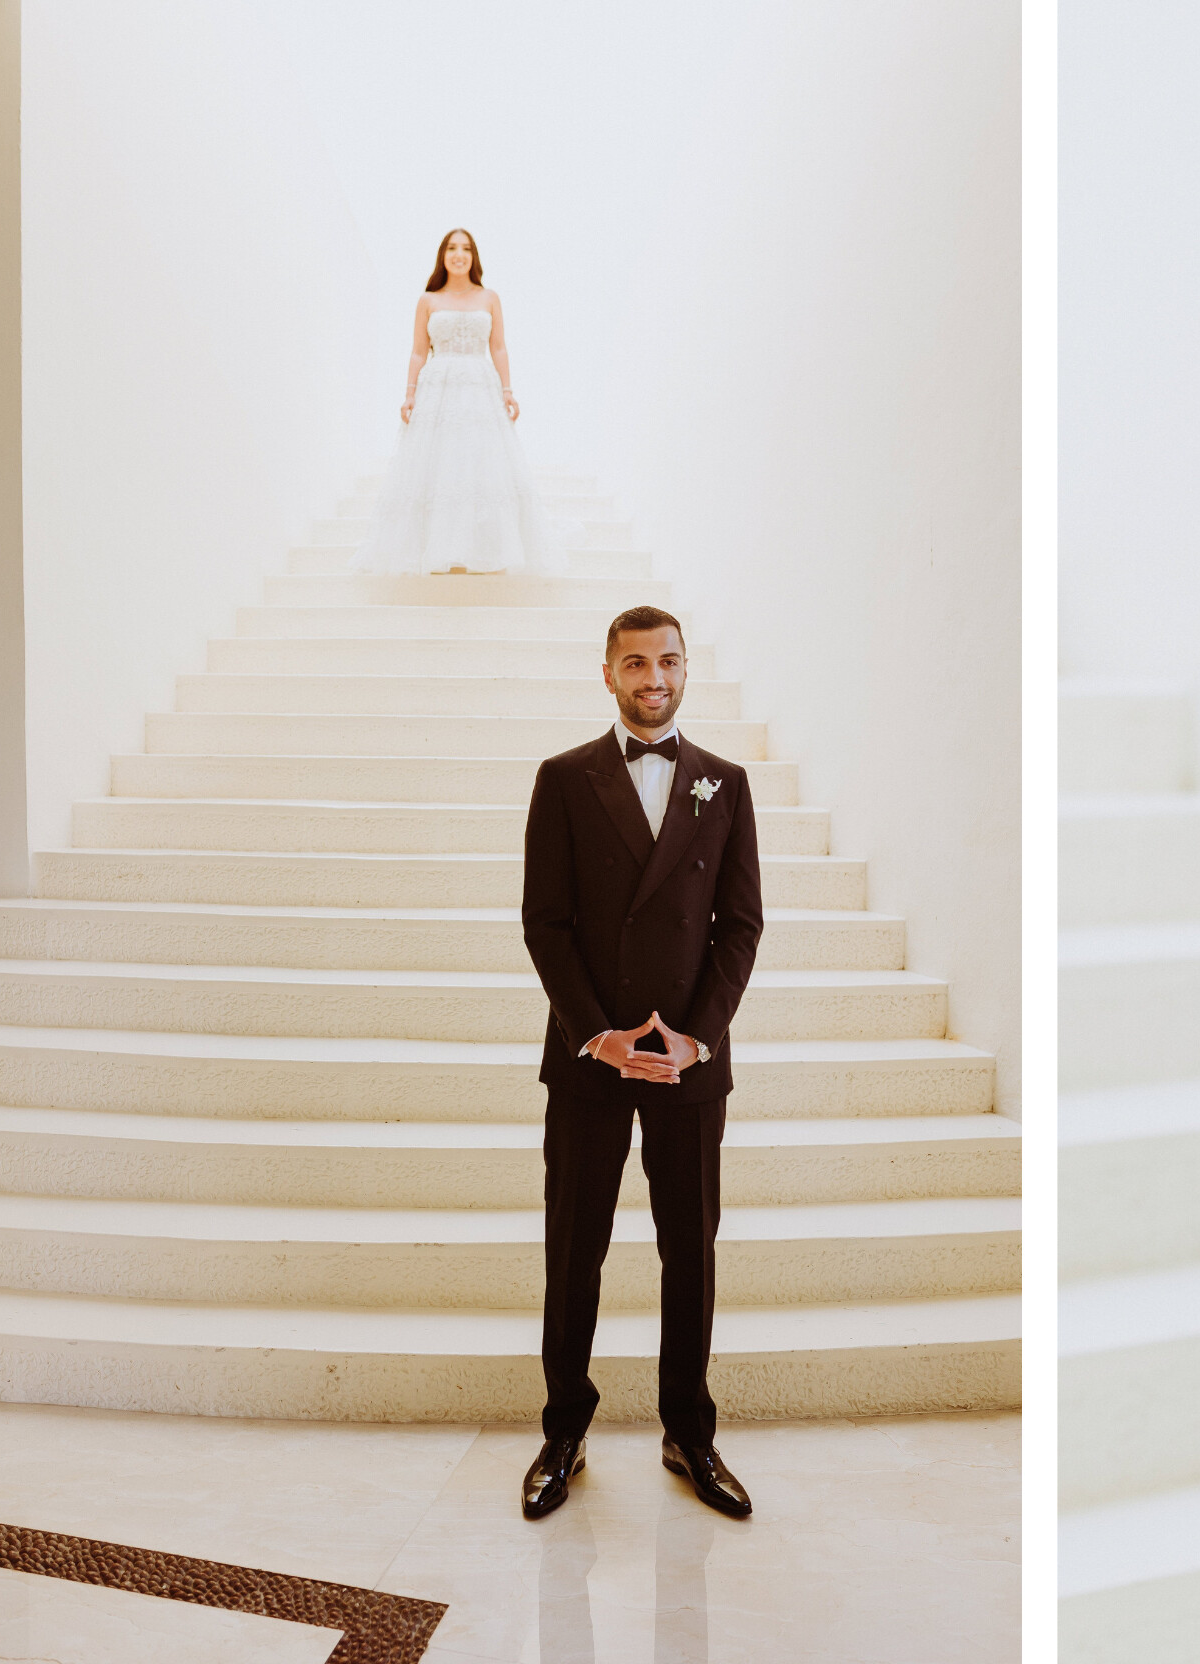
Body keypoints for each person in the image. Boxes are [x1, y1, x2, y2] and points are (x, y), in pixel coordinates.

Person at [517, 605, 765, 1521]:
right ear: (609, 673)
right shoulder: (564, 778)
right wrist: (597, 1033)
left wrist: (697, 1039)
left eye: (667, 661)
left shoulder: (726, 783)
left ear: (686, 668)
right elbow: (545, 922)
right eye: (635, 663)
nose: (653, 677)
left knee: (688, 1252)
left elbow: (740, 924)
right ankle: (563, 1432)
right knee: (573, 1249)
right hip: (591, 1056)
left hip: (688, 1062)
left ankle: (689, 1433)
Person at [352, 227, 576, 577]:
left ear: (474, 257)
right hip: (437, 387)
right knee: (440, 463)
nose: (459, 255)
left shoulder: (489, 297)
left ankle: (483, 547)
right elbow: (418, 351)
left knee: (479, 462)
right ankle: (438, 547)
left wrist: (507, 391)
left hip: (479, 387)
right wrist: (409, 394)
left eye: (466, 249)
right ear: (443, 255)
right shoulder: (428, 300)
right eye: (453, 248)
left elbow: (498, 347)